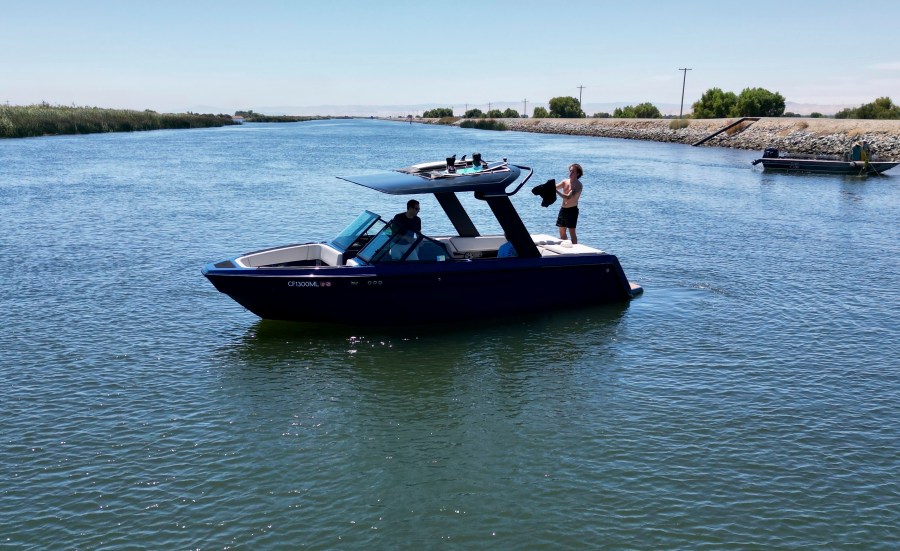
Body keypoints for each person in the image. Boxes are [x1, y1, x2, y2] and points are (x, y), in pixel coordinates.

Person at [555, 163, 583, 244]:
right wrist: (548, 186)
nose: (570, 173)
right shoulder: (565, 182)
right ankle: (566, 246)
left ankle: (575, 250)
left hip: (572, 210)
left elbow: (567, 197)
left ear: (578, 173)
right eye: (570, 171)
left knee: (572, 232)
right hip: (563, 209)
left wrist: (556, 191)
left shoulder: (578, 185)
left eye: (573, 172)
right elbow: (555, 187)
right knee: (561, 231)